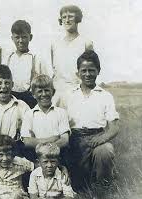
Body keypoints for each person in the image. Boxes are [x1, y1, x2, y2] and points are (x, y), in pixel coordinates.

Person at [61, 50, 120, 193]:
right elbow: (60, 121)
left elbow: (114, 128)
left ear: (98, 71)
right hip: (73, 139)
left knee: (105, 151)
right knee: (79, 187)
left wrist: (100, 139)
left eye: (91, 70)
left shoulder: (105, 96)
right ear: (78, 73)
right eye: (84, 70)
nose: (87, 74)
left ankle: (103, 187)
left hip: (96, 137)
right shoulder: (68, 94)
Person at [20, 75, 70, 161]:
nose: (44, 94)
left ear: (53, 92)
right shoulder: (29, 114)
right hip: (36, 158)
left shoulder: (61, 113)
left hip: (58, 158)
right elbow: (27, 142)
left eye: (47, 90)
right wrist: (52, 139)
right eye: (40, 91)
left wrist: (38, 141)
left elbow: (64, 140)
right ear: (33, 94)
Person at [51, 5, 93, 105]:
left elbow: (91, 71)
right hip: (58, 93)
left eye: (70, 16)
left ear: (77, 18)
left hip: (78, 93)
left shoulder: (86, 43)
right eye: (64, 17)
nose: (67, 20)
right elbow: (54, 70)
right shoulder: (55, 44)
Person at [7, 20, 50, 108]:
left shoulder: (37, 58)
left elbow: (46, 83)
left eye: (24, 37)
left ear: (30, 37)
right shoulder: (9, 58)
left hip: (31, 100)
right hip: (11, 99)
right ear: (12, 38)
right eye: (17, 37)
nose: (20, 41)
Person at [0, 135, 34, 199]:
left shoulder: (21, 163)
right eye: (0, 155)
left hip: (15, 196)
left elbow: (36, 168)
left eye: (8, 154)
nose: (5, 159)